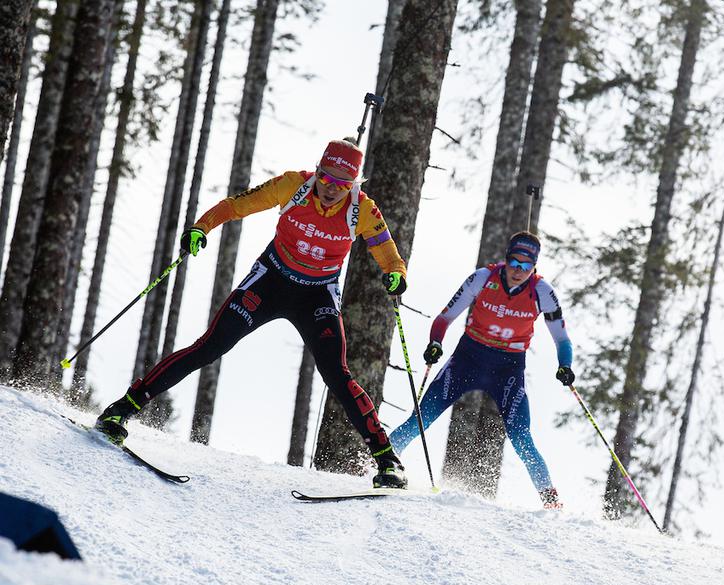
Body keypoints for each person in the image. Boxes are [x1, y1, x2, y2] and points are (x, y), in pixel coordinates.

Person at [95, 139, 408, 488]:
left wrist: (396, 273)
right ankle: (121, 409)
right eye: (325, 178)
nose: (331, 188)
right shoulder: (293, 185)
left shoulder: (362, 209)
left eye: (341, 184)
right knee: (211, 346)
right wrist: (201, 227)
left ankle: (387, 461)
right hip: (270, 281)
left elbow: (386, 250)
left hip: (317, 294)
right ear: (317, 172)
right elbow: (236, 206)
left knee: (337, 372)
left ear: (353, 186)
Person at [388, 232, 574, 508]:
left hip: (508, 370)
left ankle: (551, 501)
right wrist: (435, 343)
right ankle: (381, 463)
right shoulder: (483, 278)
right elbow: (444, 317)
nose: (518, 271)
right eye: (514, 262)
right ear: (506, 258)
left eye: (526, 266)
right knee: (422, 418)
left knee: (521, 437)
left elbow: (562, 339)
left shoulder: (542, 293)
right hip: (468, 359)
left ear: (534, 267)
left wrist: (565, 366)